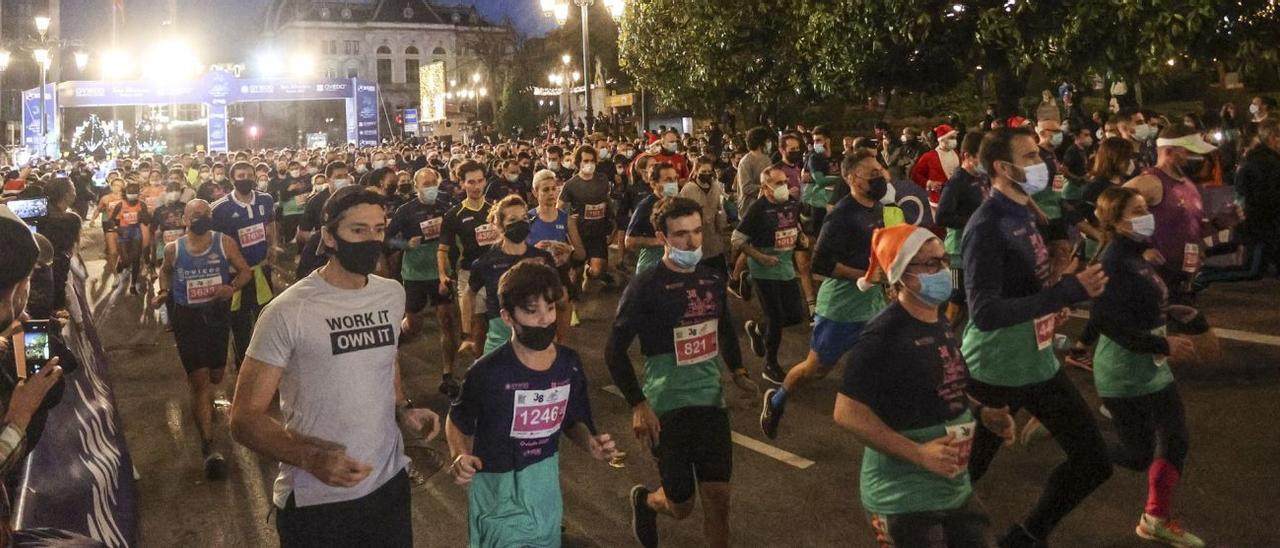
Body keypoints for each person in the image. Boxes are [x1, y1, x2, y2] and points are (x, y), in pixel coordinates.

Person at [230, 187, 440, 547]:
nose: (372, 240)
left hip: (388, 487)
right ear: (328, 236)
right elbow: (244, 419)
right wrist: (311, 459)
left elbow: (385, 358)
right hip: (318, 500)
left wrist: (404, 408)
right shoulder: (286, 312)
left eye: (379, 230)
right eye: (358, 231)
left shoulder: (391, 295)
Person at [962, 127, 1112, 547]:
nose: (1041, 163)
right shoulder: (987, 225)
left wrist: (1053, 292)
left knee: (1094, 462)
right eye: (1029, 157)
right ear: (1001, 168)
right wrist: (1068, 292)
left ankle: (1027, 536)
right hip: (994, 370)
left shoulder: (1024, 211)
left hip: (1038, 362)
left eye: (1038, 155)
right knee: (959, 480)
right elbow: (985, 313)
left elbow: (1027, 286)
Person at [835, 224, 1014, 548]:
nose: (943, 270)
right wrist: (917, 454)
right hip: (902, 497)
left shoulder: (938, 320)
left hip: (952, 485)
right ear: (901, 275)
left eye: (944, 261)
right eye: (930, 264)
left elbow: (943, 383)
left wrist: (981, 412)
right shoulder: (883, 335)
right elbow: (847, 413)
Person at [606, 197, 757, 548]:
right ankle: (647, 501)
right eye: (680, 235)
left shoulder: (711, 279)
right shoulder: (645, 286)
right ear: (662, 237)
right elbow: (614, 350)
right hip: (666, 406)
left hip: (710, 400)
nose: (691, 243)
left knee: (719, 499)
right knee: (682, 504)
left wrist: (736, 370)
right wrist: (638, 404)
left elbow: (723, 328)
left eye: (696, 232)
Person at [446, 260, 618, 548]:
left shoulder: (568, 364)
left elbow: (572, 419)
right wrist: (460, 456)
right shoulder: (487, 372)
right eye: (532, 311)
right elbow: (457, 419)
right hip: (498, 493)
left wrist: (590, 442)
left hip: (544, 489)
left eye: (550, 309)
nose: (544, 320)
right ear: (507, 317)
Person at [1090, 187, 1204, 548]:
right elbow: (1105, 322)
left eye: (1146, 208)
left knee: (1176, 438)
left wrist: (1169, 314)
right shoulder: (1112, 261)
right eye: (1138, 210)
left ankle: (1154, 517)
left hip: (1153, 365)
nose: (1147, 214)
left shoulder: (1138, 254)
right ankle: (1080, 439)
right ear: (1117, 221)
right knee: (1138, 455)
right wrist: (1162, 343)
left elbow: (1143, 301)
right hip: (1123, 369)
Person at [759, 150, 890, 439]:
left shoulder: (877, 208)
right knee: (815, 370)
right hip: (841, 309)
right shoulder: (842, 215)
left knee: (883, 358)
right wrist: (866, 276)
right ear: (852, 178)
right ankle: (776, 399)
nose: (880, 177)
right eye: (873, 174)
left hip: (873, 303)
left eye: (880, 171)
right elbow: (820, 264)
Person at [152, 199, 252, 479]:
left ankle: (205, 404)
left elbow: (245, 271)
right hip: (188, 319)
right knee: (200, 381)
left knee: (218, 376)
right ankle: (208, 447)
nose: (201, 217)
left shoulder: (225, 243)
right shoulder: (174, 248)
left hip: (217, 317)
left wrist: (231, 287)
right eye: (195, 214)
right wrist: (162, 291)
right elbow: (164, 270)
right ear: (185, 219)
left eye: (206, 214)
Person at [1123, 126, 1237, 303]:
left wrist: (1219, 223)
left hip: (1182, 279)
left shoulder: (1187, 184)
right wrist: (1140, 250)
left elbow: (1190, 229)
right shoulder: (1151, 182)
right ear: (1169, 151)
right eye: (1191, 152)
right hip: (1155, 279)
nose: (1200, 159)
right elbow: (1108, 210)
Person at [385, 167, 462, 398]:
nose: (430, 188)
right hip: (415, 275)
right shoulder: (405, 211)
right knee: (415, 325)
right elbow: (386, 238)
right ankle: (399, 334)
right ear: (416, 187)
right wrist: (405, 245)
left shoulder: (445, 206)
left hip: (441, 272)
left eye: (433, 183)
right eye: (425, 184)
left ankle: (448, 374)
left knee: (447, 321)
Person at [735, 167, 807, 384]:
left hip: (785, 267)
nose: (784, 187)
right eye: (778, 183)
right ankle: (770, 364)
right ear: (765, 187)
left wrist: (801, 239)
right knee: (776, 317)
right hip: (763, 270)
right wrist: (759, 257)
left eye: (784, 181)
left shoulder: (791, 204)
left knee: (794, 315)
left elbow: (795, 226)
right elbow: (737, 239)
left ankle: (758, 329)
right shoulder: (758, 208)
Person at [465, 195, 554, 356]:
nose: (520, 223)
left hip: (537, 338)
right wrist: (466, 334)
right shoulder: (486, 262)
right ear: (500, 226)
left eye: (524, 218)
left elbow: (557, 297)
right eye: (512, 220)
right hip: (499, 341)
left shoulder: (542, 258)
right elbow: (469, 294)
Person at [210, 161, 277, 369]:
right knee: (239, 322)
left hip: (261, 270)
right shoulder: (219, 208)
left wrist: (272, 246)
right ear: (232, 179)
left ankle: (266, 362)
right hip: (236, 274)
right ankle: (242, 365)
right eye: (241, 175)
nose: (246, 178)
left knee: (265, 317)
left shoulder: (265, 200)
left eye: (249, 174)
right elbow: (214, 241)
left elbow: (270, 223)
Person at [438, 161, 498, 356]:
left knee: (500, 324)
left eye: (480, 181)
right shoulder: (454, 215)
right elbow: (442, 250)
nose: (476, 186)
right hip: (469, 275)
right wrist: (442, 274)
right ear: (462, 184)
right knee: (478, 328)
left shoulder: (495, 210)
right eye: (471, 182)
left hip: (497, 272)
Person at [934, 132, 989, 326]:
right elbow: (941, 217)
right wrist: (974, 221)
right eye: (982, 157)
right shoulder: (957, 182)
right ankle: (944, 339)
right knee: (956, 301)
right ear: (967, 156)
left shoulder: (982, 178)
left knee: (972, 300)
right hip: (959, 251)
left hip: (978, 248)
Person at [526, 170, 577, 339]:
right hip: (535, 278)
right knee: (543, 335)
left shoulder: (565, 219)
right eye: (545, 190)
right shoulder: (528, 219)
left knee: (560, 337)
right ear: (535, 193)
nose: (551, 193)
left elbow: (580, 253)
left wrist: (568, 252)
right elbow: (518, 253)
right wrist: (536, 249)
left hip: (560, 275)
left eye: (554, 189)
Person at [559, 145, 618, 288]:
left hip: (598, 231)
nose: (589, 164)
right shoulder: (570, 185)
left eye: (592, 161)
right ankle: (576, 270)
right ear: (578, 162)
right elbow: (559, 207)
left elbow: (607, 200)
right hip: (579, 232)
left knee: (598, 271)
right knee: (575, 284)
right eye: (585, 161)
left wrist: (613, 223)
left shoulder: (602, 179)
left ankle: (591, 271)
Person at [1232, 118, 1280, 276]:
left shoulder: (1259, 160)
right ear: (1274, 138)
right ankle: (1202, 279)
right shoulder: (1266, 164)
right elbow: (1267, 201)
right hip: (1262, 231)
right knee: (1252, 272)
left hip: (1260, 230)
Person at [679, 155, 731, 277]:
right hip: (696, 242)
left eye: (709, 171)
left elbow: (721, 206)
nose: (707, 174)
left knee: (720, 277)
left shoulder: (716, 186)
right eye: (703, 171)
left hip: (715, 239)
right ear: (696, 171)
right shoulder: (688, 189)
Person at [625, 162, 679, 274]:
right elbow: (629, 241)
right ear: (654, 184)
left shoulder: (677, 202)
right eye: (668, 180)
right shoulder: (645, 207)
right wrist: (658, 242)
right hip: (651, 265)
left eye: (675, 179)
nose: (674, 184)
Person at [108, 181, 153, 294]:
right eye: (130, 192)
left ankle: (133, 284)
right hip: (124, 233)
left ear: (138, 193)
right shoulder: (120, 204)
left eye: (134, 192)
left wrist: (144, 217)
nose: (132, 194)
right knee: (127, 261)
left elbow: (147, 221)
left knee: (136, 258)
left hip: (136, 232)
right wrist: (116, 229)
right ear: (125, 193)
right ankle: (121, 266)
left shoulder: (141, 204)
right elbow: (111, 220)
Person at [910, 124, 961, 213]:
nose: (954, 140)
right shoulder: (929, 156)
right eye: (951, 138)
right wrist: (929, 183)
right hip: (937, 201)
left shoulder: (957, 154)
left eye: (954, 138)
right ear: (942, 139)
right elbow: (915, 174)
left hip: (957, 200)